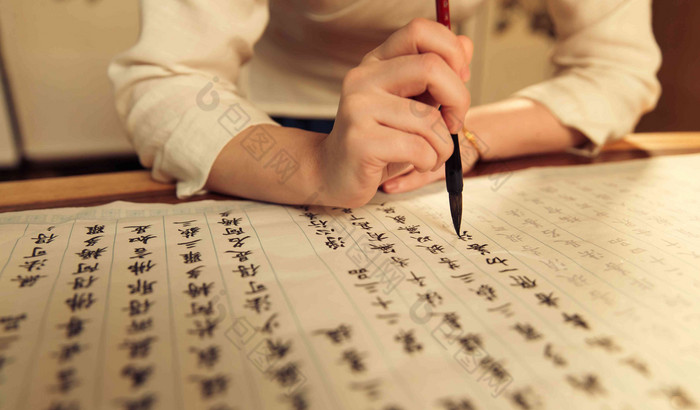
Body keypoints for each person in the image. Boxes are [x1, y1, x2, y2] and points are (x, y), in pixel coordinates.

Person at [109, 0, 661, 208]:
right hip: (270, 128)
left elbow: (616, 68)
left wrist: (469, 138)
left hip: (433, 132)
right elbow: (167, 79)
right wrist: (311, 165)